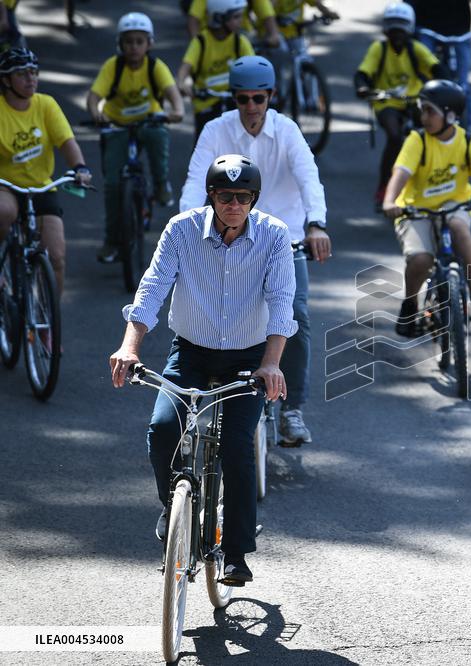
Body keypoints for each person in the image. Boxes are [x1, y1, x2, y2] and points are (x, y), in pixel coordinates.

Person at [110, 154, 296, 586]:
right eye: (226, 195)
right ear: (211, 196)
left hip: (249, 358)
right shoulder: (181, 229)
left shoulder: (273, 235)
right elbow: (153, 287)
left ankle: (235, 553)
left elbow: (282, 301)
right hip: (191, 352)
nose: (234, 204)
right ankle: (171, 507)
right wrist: (128, 347)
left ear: (254, 199)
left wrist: (271, 363)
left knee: (236, 446)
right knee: (162, 428)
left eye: (243, 197)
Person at [181, 56, 330, 447]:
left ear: (271, 97)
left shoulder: (287, 131)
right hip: (226, 233)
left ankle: (292, 410)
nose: (250, 107)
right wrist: (188, 228)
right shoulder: (216, 130)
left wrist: (316, 223)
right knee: (214, 309)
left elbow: (308, 176)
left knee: (294, 316)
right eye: (243, 99)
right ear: (234, 98)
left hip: (284, 237)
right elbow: (196, 182)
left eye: (258, 99)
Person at [382, 79, 471, 336]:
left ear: (450, 114)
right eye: (422, 110)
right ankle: (410, 305)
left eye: (429, 111)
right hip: (415, 209)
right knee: (421, 259)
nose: (423, 117)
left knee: (458, 226)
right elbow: (399, 175)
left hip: (455, 205)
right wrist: (390, 201)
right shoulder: (417, 140)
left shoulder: (468, 141)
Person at [88, 12, 185, 264]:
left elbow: (173, 96)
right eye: (128, 41)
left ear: (149, 44)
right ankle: (112, 241)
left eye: (140, 41)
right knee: (112, 185)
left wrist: (176, 112)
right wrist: (96, 114)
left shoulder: (155, 66)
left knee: (157, 134)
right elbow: (94, 97)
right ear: (120, 44)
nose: (134, 47)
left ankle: (161, 183)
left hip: (147, 120)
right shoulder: (113, 66)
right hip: (117, 124)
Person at [0, 48, 92, 297]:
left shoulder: (45, 104)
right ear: (6, 80)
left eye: (33, 72)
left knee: (57, 256)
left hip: (40, 186)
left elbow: (66, 141)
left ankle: (50, 322)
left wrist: (80, 168)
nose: (30, 79)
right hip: (6, 186)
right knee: (5, 211)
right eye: (22, 74)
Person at [355, 2, 446, 210]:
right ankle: (384, 187)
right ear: (386, 29)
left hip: (415, 100)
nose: (397, 33)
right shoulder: (379, 49)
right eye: (393, 28)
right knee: (395, 137)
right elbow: (362, 74)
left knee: (429, 132)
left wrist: (445, 84)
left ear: (410, 29)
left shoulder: (416, 49)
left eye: (402, 28)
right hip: (386, 101)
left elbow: (437, 68)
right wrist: (362, 87)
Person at [406, 0, 471, 132]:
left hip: (459, 33)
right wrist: (404, 26)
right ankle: (417, 122)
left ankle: (468, 133)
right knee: (423, 78)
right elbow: (408, 5)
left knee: (463, 85)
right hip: (427, 31)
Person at [176, 0, 256, 141]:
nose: (241, 21)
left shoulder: (239, 41)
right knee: (203, 145)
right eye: (236, 17)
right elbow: (185, 68)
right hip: (206, 101)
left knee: (248, 139)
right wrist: (182, 83)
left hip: (234, 99)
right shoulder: (201, 42)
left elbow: (254, 67)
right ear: (220, 18)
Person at [186, 0, 282, 48]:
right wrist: (198, 45)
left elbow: (267, 15)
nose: (239, 20)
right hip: (210, 42)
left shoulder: (242, 42)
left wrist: (273, 34)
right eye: (236, 16)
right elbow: (193, 20)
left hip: (244, 36)